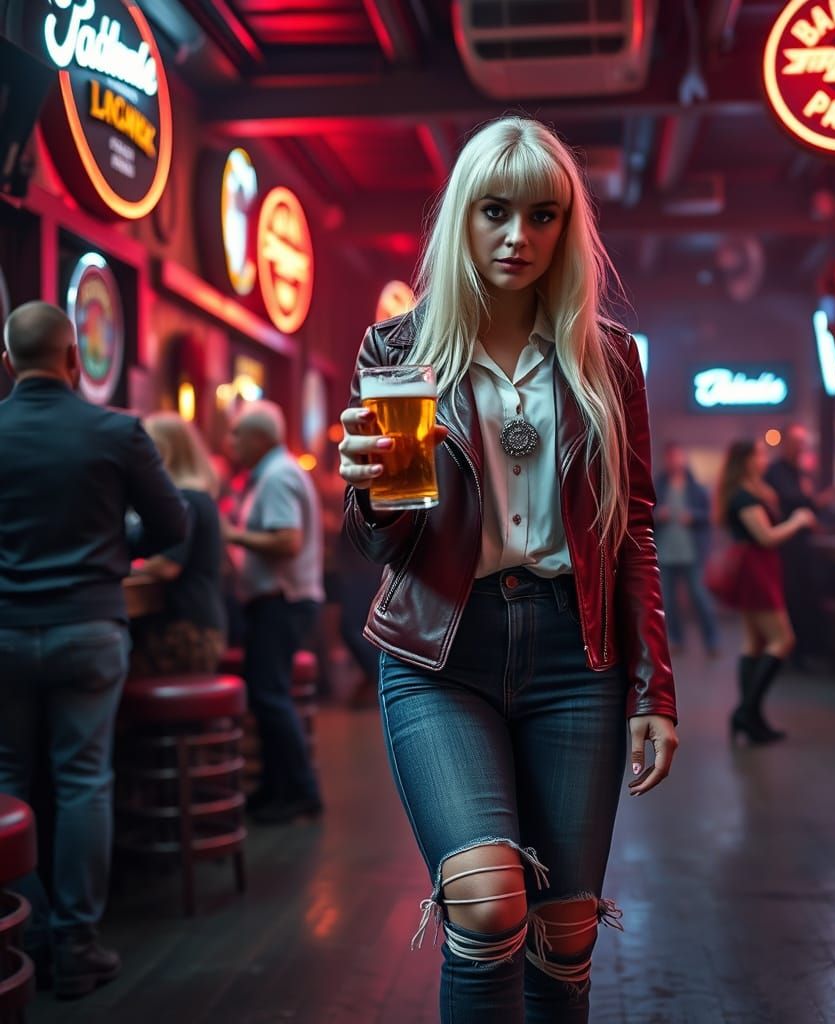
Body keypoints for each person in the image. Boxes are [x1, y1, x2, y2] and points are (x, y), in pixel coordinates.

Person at [339, 116, 678, 1024]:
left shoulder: (607, 359)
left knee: (564, 938)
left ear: (568, 229)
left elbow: (633, 528)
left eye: (542, 216)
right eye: (494, 211)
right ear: (461, 219)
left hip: (577, 652)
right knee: (489, 908)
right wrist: (368, 494)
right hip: (442, 650)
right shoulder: (399, 352)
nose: (517, 237)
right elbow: (381, 543)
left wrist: (655, 690)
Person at [0, 302, 187, 998]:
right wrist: (114, 546)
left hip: (6, 630)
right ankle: (76, 946)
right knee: (82, 782)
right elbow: (173, 524)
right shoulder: (115, 431)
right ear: (75, 359)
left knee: (8, 779)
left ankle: (29, 929)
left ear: (8, 364)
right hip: (90, 625)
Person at [223, 401, 324, 825]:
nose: (232, 444)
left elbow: (287, 542)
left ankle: (301, 793)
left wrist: (233, 535)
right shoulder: (271, 474)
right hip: (279, 600)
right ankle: (275, 790)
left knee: (270, 696)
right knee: (269, 697)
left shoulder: (278, 476)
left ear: (260, 437)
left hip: (281, 599)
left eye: (237, 435)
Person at [716, 439, 816, 744]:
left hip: (758, 569)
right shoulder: (744, 496)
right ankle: (746, 712)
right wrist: (798, 521)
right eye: (759, 453)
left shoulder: (749, 490)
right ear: (746, 460)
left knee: (755, 643)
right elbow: (767, 537)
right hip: (757, 571)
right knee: (783, 640)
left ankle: (752, 718)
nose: (764, 458)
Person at [130, 413, 227, 675]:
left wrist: (120, 566)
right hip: (202, 627)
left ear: (164, 451)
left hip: (186, 633)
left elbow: (167, 567)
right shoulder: (196, 494)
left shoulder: (184, 498)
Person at [764, 425, 835, 669]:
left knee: (805, 597)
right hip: (785, 547)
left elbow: (804, 505)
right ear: (786, 443)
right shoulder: (777, 472)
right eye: (798, 442)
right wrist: (814, 501)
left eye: (803, 443)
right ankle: (793, 655)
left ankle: (805, 652)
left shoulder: (798, 472)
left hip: (800, 547)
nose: (801, 448)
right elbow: (793, 503)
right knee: (791, 599)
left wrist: (815, 503)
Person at [654, 442, 719, 656]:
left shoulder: (696, 487)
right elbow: (644, 515)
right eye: (671, 457)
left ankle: (712, 640)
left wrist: (693, 517)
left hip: (692, 552)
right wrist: (657, 516)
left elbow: (708, 516)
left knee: (700, 597)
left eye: (678, 456)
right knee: (669, 602)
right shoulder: (658, 486)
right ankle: (676, 639)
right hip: (665, 552)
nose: (674, 461)